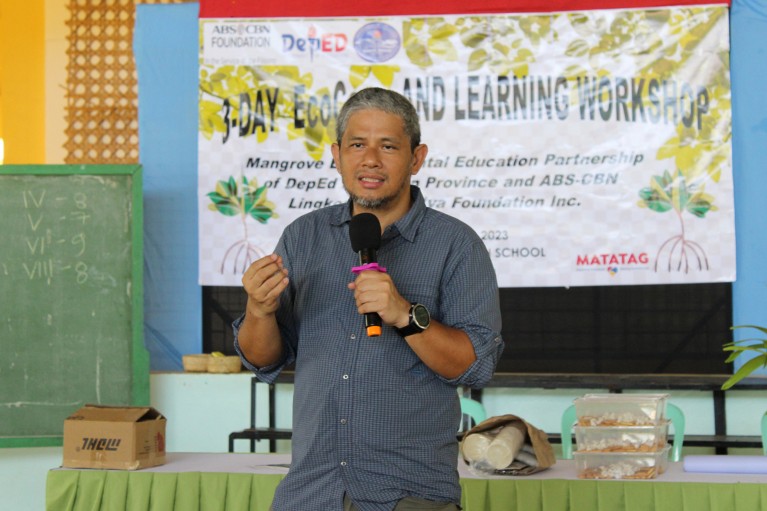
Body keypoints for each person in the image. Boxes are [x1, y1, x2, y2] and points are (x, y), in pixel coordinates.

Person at [233, 87, 504, 511]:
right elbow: (263, 359)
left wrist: (404, 315)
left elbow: (475, 364)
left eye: (389, 146)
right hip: (310, 492)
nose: (371, 160)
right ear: (337, 154)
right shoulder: (304, 237)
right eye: (358, 144)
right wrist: (259, 311)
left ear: (416, 158)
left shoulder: (456, 244)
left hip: (409, 495)